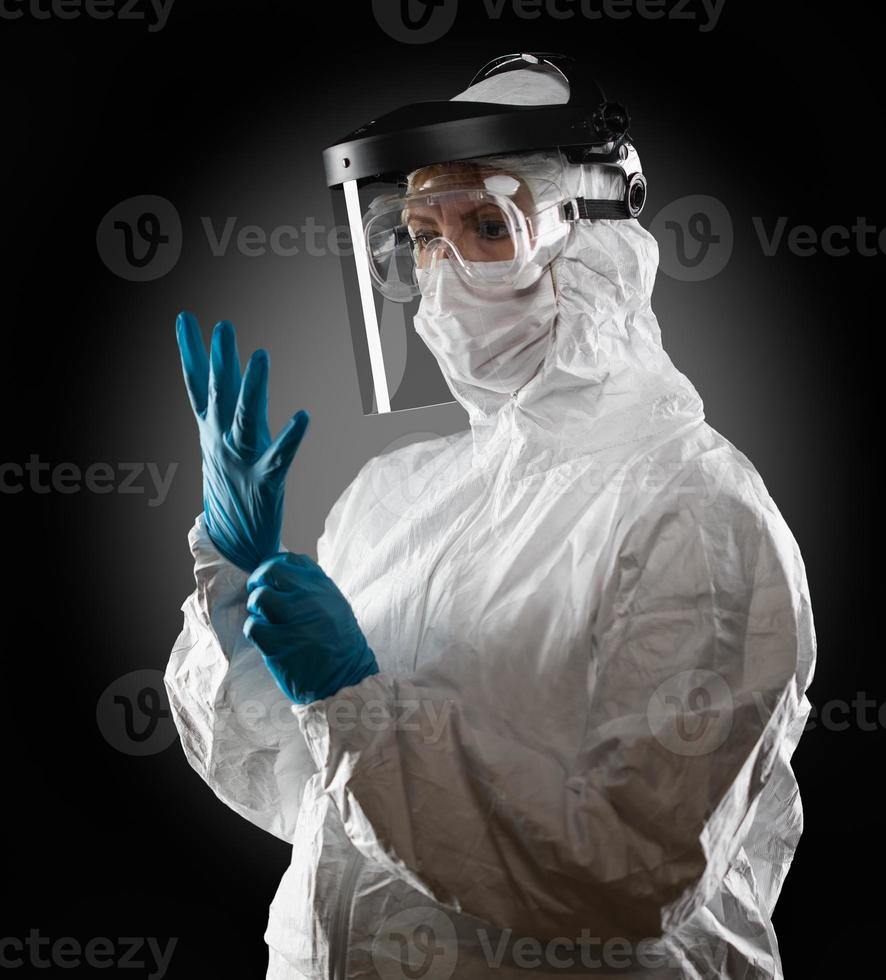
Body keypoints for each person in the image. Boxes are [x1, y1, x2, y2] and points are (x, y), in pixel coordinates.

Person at [166, 54, 816, 979]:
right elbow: (297, 788)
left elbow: (629, 874)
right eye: (421, 235)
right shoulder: (398, 500)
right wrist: (234, 594)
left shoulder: (695, 515)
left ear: (593, 239)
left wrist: (355, 703)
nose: (442, 270)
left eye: (483, 225)